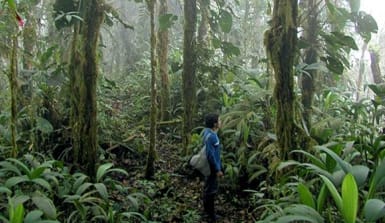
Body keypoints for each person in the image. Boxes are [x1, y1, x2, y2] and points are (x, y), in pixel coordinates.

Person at [202, 113, 223, 222]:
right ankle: (211, 215)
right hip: (212, 169)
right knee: (211, 190)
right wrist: (217, 169)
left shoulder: (206, 132)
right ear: (215, 124)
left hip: (208, 167)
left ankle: (207, 211)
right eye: (219, 120)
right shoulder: (213, 136)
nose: (221, 122)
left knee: (208, 188)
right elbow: (211, 155)